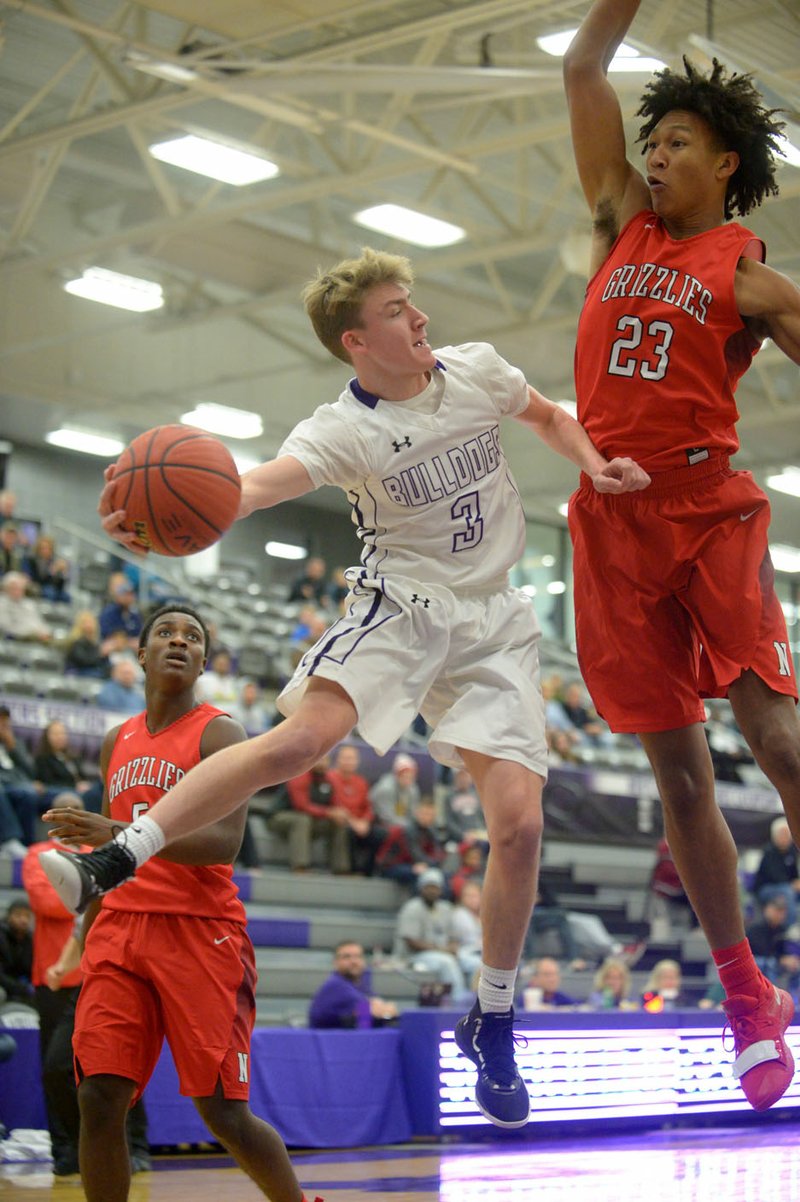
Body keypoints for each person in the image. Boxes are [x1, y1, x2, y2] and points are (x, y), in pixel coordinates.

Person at [42, 245, 648, 1129]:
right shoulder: (342, 428)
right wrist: (171, 516)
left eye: (414, 303)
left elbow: (551, 416)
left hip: (496, 619)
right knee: (297, 742)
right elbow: (251, 490)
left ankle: (497, 1011)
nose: (422, 318)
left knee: (518, 828)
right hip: (399, 604)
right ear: (359, 341)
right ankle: (116, 857)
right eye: (402, 310)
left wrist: (595, 464)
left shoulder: (475, 370)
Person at [563, 0, 800, 1110]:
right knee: (680, 773)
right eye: (647, 141)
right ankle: (745, 994)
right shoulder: (617, 221)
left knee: (780, 742)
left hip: (707, 511)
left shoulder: (746, 275)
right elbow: (580, 63)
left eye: (674, 144)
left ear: (724, 164)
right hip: (609, 524)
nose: (652, 155)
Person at [40, 603, 322, 1202]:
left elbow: (224, 843)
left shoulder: (220, 733)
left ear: (201, 662)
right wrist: (82, 938)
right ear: (140, 655)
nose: (179, 641)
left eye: (192, 637)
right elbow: (105, 863)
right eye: (164, 633)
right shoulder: (117, 739)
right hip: (121, 927)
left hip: (201, 932)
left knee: (222, 1112)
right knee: (98, 1094)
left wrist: (110, 831)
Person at [22, 797, 150, 1177]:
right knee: (55, 1068)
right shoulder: (38, 854)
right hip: (53, 976)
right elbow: (47, 902)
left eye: (77, 811)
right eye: (62, 813)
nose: (70, 818)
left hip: (102, 970)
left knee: (119, 1064)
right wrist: (86, 886)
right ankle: (66, 1147)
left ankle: (135, 1146)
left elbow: (102, 898)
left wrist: (84, 884)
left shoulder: (104, 851)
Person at [268, 756, 352, 874]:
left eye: (326, 760)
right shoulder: (299, 776)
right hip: (279, 817)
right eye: (320, 759)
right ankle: (300, 866)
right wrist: (329, 813)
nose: (322, 763)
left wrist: (339, 813)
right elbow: (301, 806)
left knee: (338, 822)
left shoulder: (329, 780)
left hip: (310, 820)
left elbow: (335, 804)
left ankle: (341, 869)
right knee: (302, 819)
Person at [393, 867, 466, 1001]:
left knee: (472, 961)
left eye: (436, 887)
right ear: (421, 888)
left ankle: (479, 1002)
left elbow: (454, 937)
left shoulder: (446, 908)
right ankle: (459, 1000)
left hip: (441, 953)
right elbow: (411, 942)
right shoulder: (412, 908)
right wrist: (443, 950)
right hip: (413, 956)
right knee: (447, 962)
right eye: (429, 887)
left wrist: (453, 947)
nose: (432, 891)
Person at [308, 941, 398, 1029]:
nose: (354, 961)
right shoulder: (336, 985)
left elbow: (370, 1018)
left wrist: (384, 1012)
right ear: (335, 962)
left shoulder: (361, 986)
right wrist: (384, 1012)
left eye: (358, 956)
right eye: (347, 957)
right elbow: (368, 1013)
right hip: (326, 1041)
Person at [327, 743, 381, 876]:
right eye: (345, 758)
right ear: (338, 759)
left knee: (380, 834)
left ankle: (367, 872)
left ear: (357, 761)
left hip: (359, 822)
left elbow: (368, 807)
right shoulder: (329, 778)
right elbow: (334, 805)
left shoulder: (361, 782)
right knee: (347, 831)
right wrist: (353, 822)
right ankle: (350, 869)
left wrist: (365, 821)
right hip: (341, 821)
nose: (348, 762)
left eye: (352, 758)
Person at [375, 797, 449, 889]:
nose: (427, 817)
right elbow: (415, 854)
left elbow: (438, 855)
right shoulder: (406, 831)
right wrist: (427, 865)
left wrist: (429, 865)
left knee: (445, 876)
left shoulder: (431, 832)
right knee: (420, 875)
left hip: (416, 866)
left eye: (430, 815)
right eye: (424, 813)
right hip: (391, 866)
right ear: (417, 813)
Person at [33, 720, 103, 813]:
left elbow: (82, 777)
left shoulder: (73, 756)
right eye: (55, 734)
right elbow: (48, 783)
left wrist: (84, 784)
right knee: (90, 795)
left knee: (100, 788)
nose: (60, 737)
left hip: (78, 790)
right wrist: (75, 786)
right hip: (58, 792)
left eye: (62, 733)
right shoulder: (42, 758)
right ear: (47, 737)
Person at [745, 895, 800, 1001]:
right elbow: (761, 950)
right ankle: (771, 997)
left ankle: (794, 999)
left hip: (777, 964)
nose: (779, 914)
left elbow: (785, 950)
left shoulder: (783, 930)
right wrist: (780, 959)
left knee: (795, 965)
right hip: (756, 964)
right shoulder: (755, 929)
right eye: (777, 910)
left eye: (782, 911)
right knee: (769, 963)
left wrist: (790, 959)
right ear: (767, 909)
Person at [752, 817, 800, 926]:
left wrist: (796, 883)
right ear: (775, 836)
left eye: (788, 834)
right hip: (766, 889)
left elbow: (794, 875)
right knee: (787, 892)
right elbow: (775, 876)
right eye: (782, 834)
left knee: (788, 891)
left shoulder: (792, 852)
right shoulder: (769, 852)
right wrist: (793, 885)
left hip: (787, 887)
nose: (786, 837)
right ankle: (788, 928)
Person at [369, 753, 421, 831]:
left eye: (411, 777)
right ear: (397, 775)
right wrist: (409, 827)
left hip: (402, 823)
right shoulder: (385, 788)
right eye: (405, 776)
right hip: (378, 823)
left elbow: (413, 813)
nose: (408, 781)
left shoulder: (413, 789)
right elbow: (386, 817)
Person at [0, 570, 52, 641]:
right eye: (14, 588)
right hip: (23, 638)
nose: (18, 591)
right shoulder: (2, 604)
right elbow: (7, 628)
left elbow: (39, 622)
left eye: (20, 588)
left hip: (39, 636)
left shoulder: (29, 603)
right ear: (6, 589)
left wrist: (45, 632)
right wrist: (33, 633)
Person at [0, 899, 34, 1005]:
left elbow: (28, 969)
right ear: (9, 916)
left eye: (27, 916)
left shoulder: (30, 939)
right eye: (18, 915)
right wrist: (21, 988)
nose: (23, 920)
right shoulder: (1, 936)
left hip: (19, 984)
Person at [21, 533, 71, 603]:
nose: (45, 551)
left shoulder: (54, 561)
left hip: (52, 588)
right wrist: (51, 572)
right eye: (43, 548)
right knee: (50, 592)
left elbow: (60, 586)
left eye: (48, 548)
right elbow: (36, 580)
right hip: (37, 586)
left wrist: (63, 573)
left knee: (66, 596)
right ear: (38, 548)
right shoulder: (31, 560)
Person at [64, 609, 110, 679]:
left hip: (94, 671)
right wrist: (100, 654)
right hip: (78, 672)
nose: (90, 625)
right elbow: (83, 661)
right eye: (86, 622)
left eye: (91, 622)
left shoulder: (96, 643)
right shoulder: (76, 642)